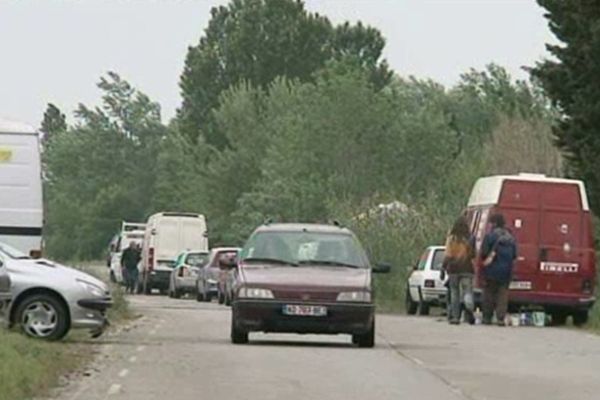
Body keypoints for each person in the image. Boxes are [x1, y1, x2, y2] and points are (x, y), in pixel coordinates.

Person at [480, 213, 517, 326]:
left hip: (492, 270)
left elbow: (484, 253)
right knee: (502, 295)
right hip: (506, 271)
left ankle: (487, 317)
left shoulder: (490, 236)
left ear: (494, 223)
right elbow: (514, 255)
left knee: (489, 294)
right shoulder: (510, 238)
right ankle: (500, 318)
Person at [442, 216, 476, 325]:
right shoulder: (470, 238)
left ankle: (455, 317)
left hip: (453, 269)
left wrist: (443, 267)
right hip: (467, 268)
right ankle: (469, 306)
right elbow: (474, 254)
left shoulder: (452, 238)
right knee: (467, 291)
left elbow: (447, 254)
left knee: (454, 293)